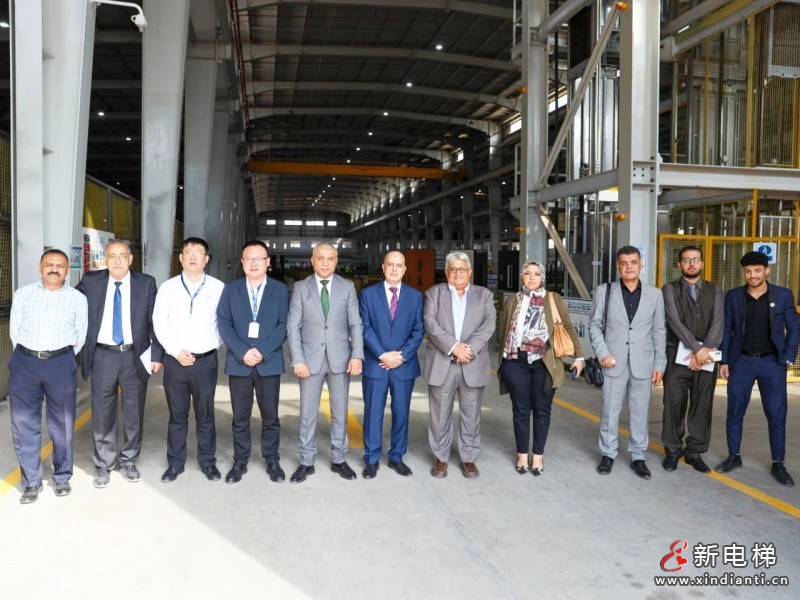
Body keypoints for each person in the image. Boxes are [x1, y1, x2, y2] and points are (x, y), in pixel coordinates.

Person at [76, 239, 164, 488]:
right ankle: (103, 464)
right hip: (102, 355)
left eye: (122, 256)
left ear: (130, 259)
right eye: (112, 256)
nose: (117, 261)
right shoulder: (91, 281)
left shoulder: (146, 283)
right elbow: (70, 302)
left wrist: (156, 354)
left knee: (134, 411)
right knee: (102, 411)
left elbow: (154, 321)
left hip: (134, 355)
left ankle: (128, 460)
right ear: (105, 259)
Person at [8, 249, 88, 503]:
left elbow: (81, 334)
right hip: (25, 363)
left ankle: (62, 476)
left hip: (60, 364)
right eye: (49, 264)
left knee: (62, 423)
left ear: (68, 270)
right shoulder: (23, 294)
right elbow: (14, 330)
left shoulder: (77, 299)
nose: (54, 269)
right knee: (24, 424)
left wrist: (61, 357)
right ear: (40, 267)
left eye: (60, 265)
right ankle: (31, 481)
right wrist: (30, 355)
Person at [716, 251, 800, 486]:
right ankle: (733, 456)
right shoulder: (733, 296)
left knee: (776, 414)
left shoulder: (783, 295)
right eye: (748, 271)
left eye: (757, 271)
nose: (752, 275)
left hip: (772, 362)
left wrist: (788, 357)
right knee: (735, 411)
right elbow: (727, 328)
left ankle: (778, 463)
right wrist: (724, 360)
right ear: (743, 272)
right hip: (741, 362)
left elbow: (794, 327)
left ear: (766, 271)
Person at [286, 242, 364, 483]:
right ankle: (306, 461)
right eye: (321, 258)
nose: (325, 263)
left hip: (341, 358)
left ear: (336, 261)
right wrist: (298, 359)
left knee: (340, 411)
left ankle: (339, 459)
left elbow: (355, 323)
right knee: (307, 413)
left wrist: (357, 354)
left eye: (330, 258)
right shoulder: (301, 288)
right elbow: (293, 326)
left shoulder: (347, 287)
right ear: (313, 260)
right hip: (310, 361)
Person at [497, 260, 584, 476]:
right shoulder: (512, 301)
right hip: (516, 362)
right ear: (522, 277)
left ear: (542, 277)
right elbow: (503, 330)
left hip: (544, 362)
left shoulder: (553, 299)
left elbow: (568, 327)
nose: (532, 277)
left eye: (537, 274)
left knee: (542, 409)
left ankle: (538, 455)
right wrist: (504, 359)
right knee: (520, 409)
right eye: (527, 273)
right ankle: (521, 454)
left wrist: (579, 356)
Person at [588, 246, 666, 479]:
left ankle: (638, 457)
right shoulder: (604, 291)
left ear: (641, 265)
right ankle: (608, 454)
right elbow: (594, 325)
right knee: (609, 412)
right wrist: (603, 353)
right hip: (613, 362)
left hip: (644, 362)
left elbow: (659, 331)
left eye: (633, 262)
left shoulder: (655, 295)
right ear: (618, 266)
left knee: (640, 412)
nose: (629, 267)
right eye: (624, 263)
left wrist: (659, 365)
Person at [153, 237, 225, 483]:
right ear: (181, 258)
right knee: (177, 416)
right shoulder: (168, 288)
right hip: (175, 362)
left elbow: (224, 323)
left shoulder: (218, 287)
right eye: (188, 252)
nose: (193, 256)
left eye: (198, 252)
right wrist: (175, 351)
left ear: (206, 259)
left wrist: (209, 346)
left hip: (205, 362)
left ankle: (208, 462)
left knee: (205, 415)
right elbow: (159, 322)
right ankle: (175, 463)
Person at [216, 240, 289, 484]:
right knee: (240, 417)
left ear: (268, 262)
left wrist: (262, 351)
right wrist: (242, 352)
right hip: (240, 363)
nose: (254, 263)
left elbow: (283, 324)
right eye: (249, 258)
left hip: (269, 362)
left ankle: (272, 459)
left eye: (259, 258)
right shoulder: (231, 289)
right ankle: (240, 460)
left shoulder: (280, 290)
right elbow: (223, 322)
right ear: (242, 262)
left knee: (271, 417)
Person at [423, 251, 496, 479]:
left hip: (472, 363)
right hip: (442, 362)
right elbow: (430, 323)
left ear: (469, 272)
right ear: (447, 272)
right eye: (453, 269)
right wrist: (454, 347)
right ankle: (440, 457)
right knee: (439, 414)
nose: (457, 273)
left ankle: (469, 457)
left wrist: (467, 350)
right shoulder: (434, 293)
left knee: (471, 414)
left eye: (461, 269)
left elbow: (489, 324)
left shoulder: (484, 295)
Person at [359, 251, 424, 478]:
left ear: (405, 269)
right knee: (372, 412)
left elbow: (418, 330)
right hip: (375, 364)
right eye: (390, 264)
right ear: (383, 267)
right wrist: (382, 354)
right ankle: (371, 458)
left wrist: (401, 356)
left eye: (399, 265)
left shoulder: (416, 297)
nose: (394, 269)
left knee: (401, 412)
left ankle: (397, 456)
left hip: (403, 366)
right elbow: (364, 327)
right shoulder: (368, 294)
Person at [660, 245, 723, 474]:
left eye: (695, 259)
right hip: (676, 356)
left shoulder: (715, 290)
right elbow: (674, 322)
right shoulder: (669, 289)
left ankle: (694, 453)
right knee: (673, 403)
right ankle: (672, 451)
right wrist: (697, 349)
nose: (691, 263)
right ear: (679, 264)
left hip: (707, 356)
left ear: (702, 263)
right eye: (686, 260)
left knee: (702, 405)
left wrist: (704, 351)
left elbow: (718, 322)